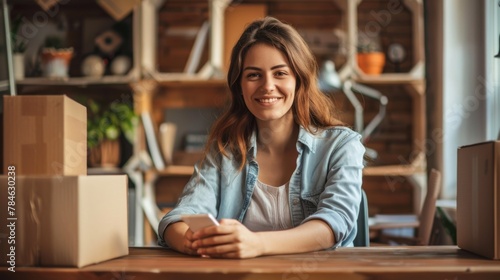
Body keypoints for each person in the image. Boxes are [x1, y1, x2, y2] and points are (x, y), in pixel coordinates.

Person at [158, 16, 365, 259]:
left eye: (280, 73)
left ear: (299, 80)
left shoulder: (341, 146)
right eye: (254, 75)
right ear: (240, 86)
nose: (267, 86)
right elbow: (178, 218)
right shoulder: (224, 150)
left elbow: (334, 224)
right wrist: (193, 241)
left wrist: (257, 244)